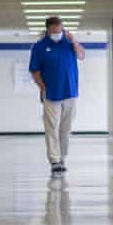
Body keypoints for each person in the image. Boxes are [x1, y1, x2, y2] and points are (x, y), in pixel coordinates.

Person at [29, 16, 86, 174]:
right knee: (52, 128)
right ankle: (54, 160)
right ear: (47, 30)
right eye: (54, 31)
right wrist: (42, 87)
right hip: (51, 94)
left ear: (63, 28)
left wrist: (74, 41)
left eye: (59, 30)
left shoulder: (69, 43)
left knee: (65, 129)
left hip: (70, 92)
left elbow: (81, 56)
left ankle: (62, 157)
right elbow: (34, 70)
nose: (57, 33)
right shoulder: (40, 47)